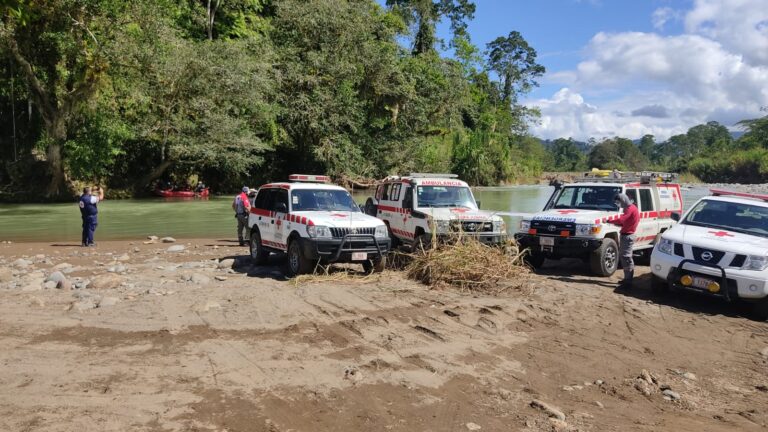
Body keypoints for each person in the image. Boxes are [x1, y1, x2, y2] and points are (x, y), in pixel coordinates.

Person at [609, 193, 639, 289]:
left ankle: (628, 280)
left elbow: (622, 220)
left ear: (623, 200)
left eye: (619, 202)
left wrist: (609, 221)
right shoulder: (630, 208)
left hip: (628, 236)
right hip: (626, 235)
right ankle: (627, 279)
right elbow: (626, 222)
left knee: (626, 258)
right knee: (625, 257)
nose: (618, 204)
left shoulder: (630, 209)